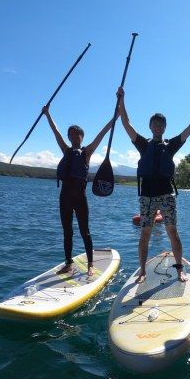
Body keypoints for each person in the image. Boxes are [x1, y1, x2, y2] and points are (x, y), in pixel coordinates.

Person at [117, 87, 190, 283]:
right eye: (155, 124)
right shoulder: (143, 144)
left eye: (161, 125)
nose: (158, 127)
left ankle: (179, 268)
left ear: (165, 127)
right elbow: (126, 122)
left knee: (173, 233)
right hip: (147, 196)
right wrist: (122, 99)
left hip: (166, 195)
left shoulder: (171, 146)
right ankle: (143, 271)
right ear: (151, 126)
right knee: (145, 234)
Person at [43, 103, 117, 277]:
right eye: (71, 135)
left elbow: (102, 134)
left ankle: (90, 264)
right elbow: (56, 131)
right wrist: (47, 114)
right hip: (65, 198)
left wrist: (115, 118)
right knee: (67, 232)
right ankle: (69, 263)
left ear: (82, 137)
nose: (73, 137)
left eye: (77, 134)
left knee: (85, 231)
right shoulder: (66, 150)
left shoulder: (87, 152)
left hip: (80, 198)